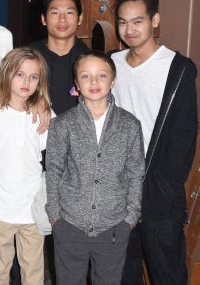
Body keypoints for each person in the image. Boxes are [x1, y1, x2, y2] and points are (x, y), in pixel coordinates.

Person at [113, 0, 198, 285]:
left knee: (167, 270)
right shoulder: (111, 65)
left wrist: (167, 181)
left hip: (159, 187)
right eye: (123, 22)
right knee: (123, 270)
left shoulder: (178, 68)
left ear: (155, 21)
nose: (130, 30)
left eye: (137, 21)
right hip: (118, 185)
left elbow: (185, 132)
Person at [46, 51, 144, 284]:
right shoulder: (63, 124)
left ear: (113, 80)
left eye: (101, 75)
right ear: (76, 83)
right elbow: (54, 169)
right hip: (69, 224)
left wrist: (130, 218)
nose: (94, 82)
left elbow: (136, 173)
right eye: (86, 76)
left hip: (113, 227)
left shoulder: (130, 125)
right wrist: (55, 216)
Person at [0, 48, 51, 285]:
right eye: (20, 74)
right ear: (7, 73)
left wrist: (44, 105)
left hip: (32, 209)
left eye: (34, 77)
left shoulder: (43, 114)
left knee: (33, 273)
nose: (27, 82)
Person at [30, 0, 89, 115]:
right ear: (43, 19)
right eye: (55, 13)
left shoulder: (90, 59)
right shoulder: (28, 56)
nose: (62, 19)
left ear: (79, 18)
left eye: (69, 13)